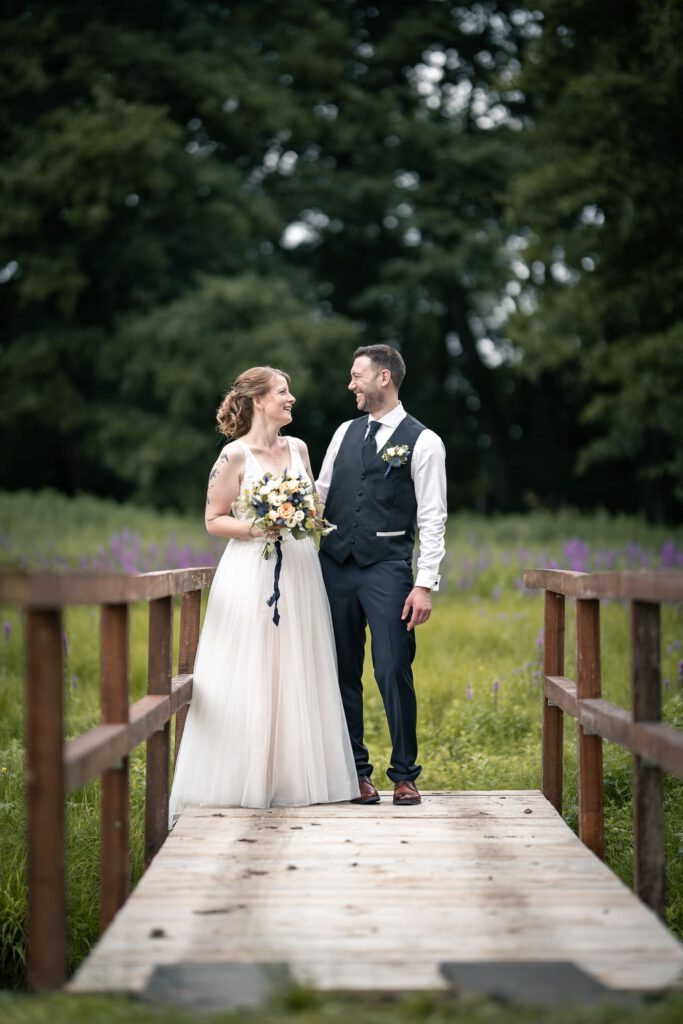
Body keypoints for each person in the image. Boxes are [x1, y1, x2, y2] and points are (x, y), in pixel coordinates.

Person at [169, 366, 359, 819]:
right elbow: (213, 519)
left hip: (297, 569)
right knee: (251, 667)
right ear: (258, 400)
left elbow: (313, 505)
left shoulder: (299, 448)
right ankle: (245, 777)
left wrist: (300, 514)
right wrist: (259, 526)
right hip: (251, 571)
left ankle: (295, 777)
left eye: (289, 392)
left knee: (298, 666)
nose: (291, 398)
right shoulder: (233, 456)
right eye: (282, 392)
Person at [316, 345, 447, 806]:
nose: (351, 384)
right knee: (341, 672)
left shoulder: (424, 441)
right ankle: (355, 772)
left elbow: (433, 518)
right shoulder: (343, 433)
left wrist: (424, 583)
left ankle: (405, 775)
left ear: (384, 378)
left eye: (357, 376)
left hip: (388, 570)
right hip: (333, 567)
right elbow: (320, 496)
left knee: (393, 669)